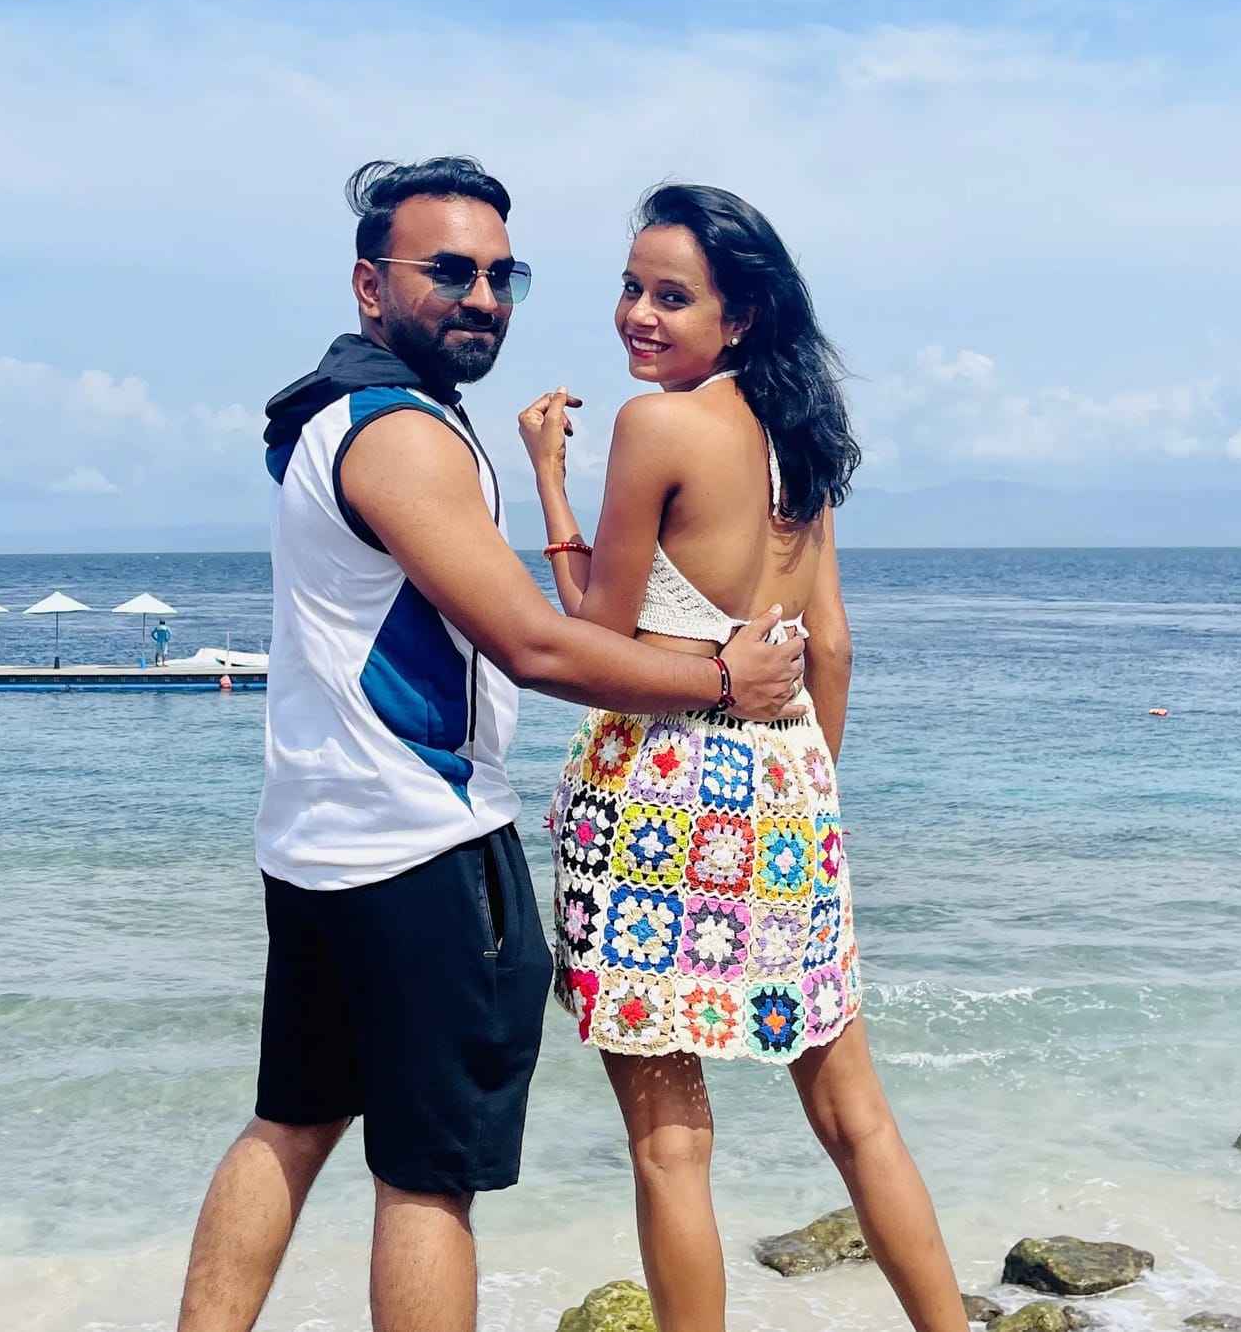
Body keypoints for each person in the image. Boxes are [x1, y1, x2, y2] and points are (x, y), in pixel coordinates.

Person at [176, 159, 808, 1332]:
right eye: (449, 271)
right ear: (370, 285)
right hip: (419, 848)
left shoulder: (330, 416)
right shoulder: (399, 437)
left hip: (314, 843)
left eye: (500, 276)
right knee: (427, 1180)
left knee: (292, 1123)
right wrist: (725, 679)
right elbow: (533, 646)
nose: (481, 297)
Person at [519, 184, 971, 1332]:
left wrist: (548, 479)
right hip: (786, 787)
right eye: (630, 287)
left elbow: (596, 634)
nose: (639, 314)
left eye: (672, 297)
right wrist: (800, 806)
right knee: (853, 1113)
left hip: (658, 794)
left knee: (669, 1144)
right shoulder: (799, 442)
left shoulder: (656, 426)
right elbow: (834, 647)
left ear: (741, 316)